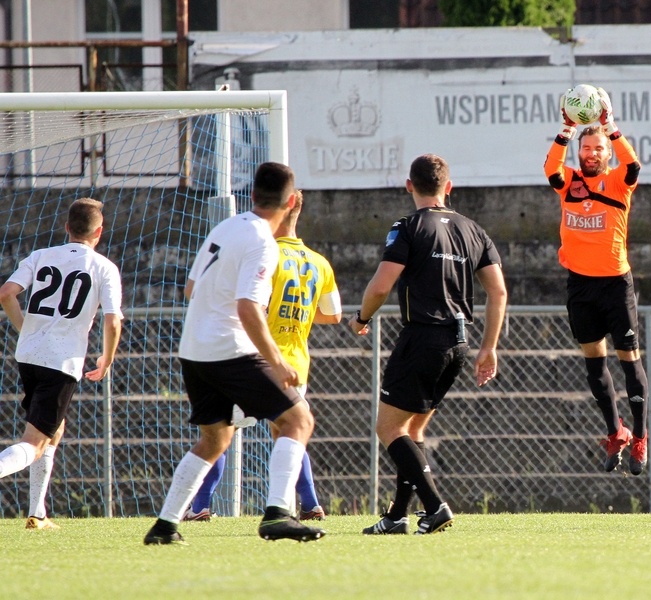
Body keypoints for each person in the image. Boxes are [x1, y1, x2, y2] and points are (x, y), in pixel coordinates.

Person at [143, 162, 324, 545]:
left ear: (253, 195)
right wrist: (276, 361)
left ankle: (164, 525)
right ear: (292, 202)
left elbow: (191, 288)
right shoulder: (263, 242)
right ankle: (277, 514)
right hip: (229, 349)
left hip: (194, 349)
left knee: (214, 440)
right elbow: (247, 307)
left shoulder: (226, 227)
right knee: (298, 420)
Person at [351, 153, 506, 535]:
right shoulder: (474, 230)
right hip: (459, 343)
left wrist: (361, 318)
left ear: (409, 186)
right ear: (448, 188)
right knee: (413, 430)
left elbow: (382, 285)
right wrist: (489, 347)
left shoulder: (408, 227)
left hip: (422, 337)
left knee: (388, 429)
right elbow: (498, 291)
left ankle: (435, 506)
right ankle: (397, 517)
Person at [184, 188, 341, 522]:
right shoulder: (319, 262)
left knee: (221, 430)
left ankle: (199, 507)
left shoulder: (265, 252)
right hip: (296, 361)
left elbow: (250, 303)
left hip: (253, 357)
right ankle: (310, 503)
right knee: (290, 430)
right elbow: (334, 314)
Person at [543, 88, 649, 475]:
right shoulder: (568, 180)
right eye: (585, 149)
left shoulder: (620, 182)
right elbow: (550, 167)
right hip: (580, 286)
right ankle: (614, 431)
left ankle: (639, 436)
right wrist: (566, 129)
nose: (590, 153)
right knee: (593, 364)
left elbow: (633, 164)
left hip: (615, 286)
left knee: (628, 362)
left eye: (597, 149)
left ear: (606, 155)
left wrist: (610, 128)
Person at [0, 198, 123, 530]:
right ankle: (35, 510)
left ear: (67, 227)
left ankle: (37, 513)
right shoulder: (103, 267)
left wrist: (25, 328)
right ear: (99, 232)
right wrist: (107, 358)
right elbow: (113, 322)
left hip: (29, 355)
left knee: (54, 429)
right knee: (34, 443)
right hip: (61, 359)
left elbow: (7, 293)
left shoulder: (41, 256)